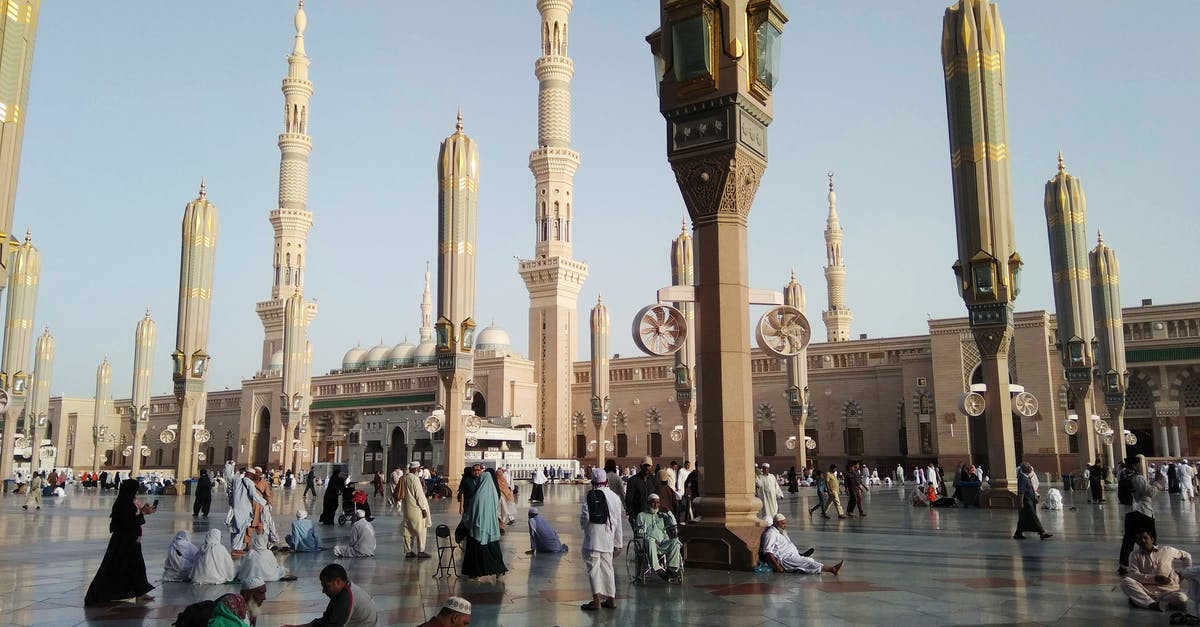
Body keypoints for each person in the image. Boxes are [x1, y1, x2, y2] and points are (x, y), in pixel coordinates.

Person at [84, 478, 156, 605]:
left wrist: (143, 512)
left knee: (136, 567)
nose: (137, 492)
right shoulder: (123, 503)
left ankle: (140, 592)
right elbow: (127, 523)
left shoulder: (129, 502)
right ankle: (98, 593)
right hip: (123, 542)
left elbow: (134, 518)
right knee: (114, 567)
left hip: (132, 541)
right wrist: (142, 513)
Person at [580, 468, 623, 612]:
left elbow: (585, 516)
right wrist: (618, 543)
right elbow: (618, 522)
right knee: (608, 569)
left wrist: (584, 527)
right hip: (608, 539)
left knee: (593, 569)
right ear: (606, 481)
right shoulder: (614, 497)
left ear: (593, 481)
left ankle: (597, 601)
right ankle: (611, 599)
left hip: (593, 538)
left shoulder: (590, 495)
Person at [282, 563, 379, 627]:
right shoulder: (341, 592)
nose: (323, 591)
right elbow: (325, 620)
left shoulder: (346, 597)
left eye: (327, 587)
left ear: (338, 581)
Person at [1120, 530, 1191, 611]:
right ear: (1136, 542)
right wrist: (1154, 579)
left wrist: (1186, 573)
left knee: (1182, 598)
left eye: (1145, 538)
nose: (1142, 541)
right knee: (1125, 581)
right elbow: (1134, 574)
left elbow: (1186, 556)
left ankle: (1140, 601)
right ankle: (1152, 604)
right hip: (1146, 590)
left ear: (1152, 539)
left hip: (1168, 590)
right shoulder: (1135, 555)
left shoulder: (1167, 550)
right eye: (1139, 539)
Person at [462, 467, 507, 579]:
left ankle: (475, 573)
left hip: (478, 529)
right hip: (491, 528)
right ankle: (498, 570)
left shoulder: (478, 495)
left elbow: (471, 513)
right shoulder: (494, 494)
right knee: (493, 550)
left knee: (476, 552)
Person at [761, 514, 842, 575]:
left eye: (785, 523)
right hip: (785, 559)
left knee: (807, 562)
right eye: (783, 523)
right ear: (776, 523)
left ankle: (802, 561)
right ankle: (832, 569)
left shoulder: (780, 531)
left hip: (792, 555)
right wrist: (777, 567)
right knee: (807, 562)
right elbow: (768, 552)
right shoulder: (770, 533)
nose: (785, 525)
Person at [635, 494, 682, 581]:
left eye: (658, 503)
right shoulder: (641, 515)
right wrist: (652, 538)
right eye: (653, 502)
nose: (656, 505)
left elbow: (674, 524)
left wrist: (668, 512)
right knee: (650, 540)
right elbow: (640, 533)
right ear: (649, 503)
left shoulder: (662, 515)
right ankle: (658, 569)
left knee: (675, 541)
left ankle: (672, 568)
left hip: (663, 543)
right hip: (650, 544)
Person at [1121, 474, 1158, 569]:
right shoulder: (1138, 478)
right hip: (1143, 511)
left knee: (1128, 540)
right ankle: (1151, 562)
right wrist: (1158, 484)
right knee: (1150, 538)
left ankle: (1123, 564)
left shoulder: (1124, 477)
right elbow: (1149, 492)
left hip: (1130, 511)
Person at [230, 467, 268, 556]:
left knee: (235, 529)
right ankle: (237, 549)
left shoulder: (237, 481)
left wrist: (229, 467)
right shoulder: (249, 482)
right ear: (251, 475)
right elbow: (253, 495)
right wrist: (264, 502)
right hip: (244, 509)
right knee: (241, 530)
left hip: (235, 509)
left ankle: (235, 547)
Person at [400, 461, 432, 559]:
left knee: (407, 531)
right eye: (418, 468)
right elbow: (419, 495)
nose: (419, 470)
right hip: (416, 509)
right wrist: (423, 508)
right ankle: (421, 551)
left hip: (407, 508)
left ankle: (408, 551)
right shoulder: (414, 479)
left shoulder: (404, 478)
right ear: (415, 469)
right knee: (421, 530)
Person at [1014, 462, 1052, 540]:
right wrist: (1021, 502)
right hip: (1026, 501)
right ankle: (1042, 533)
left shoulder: (1026, 477)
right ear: (1025, 469)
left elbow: (1030, 489)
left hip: (1030, 500)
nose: (1030, 468)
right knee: (1033, 516)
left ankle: (1018, 533)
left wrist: (1034, 497)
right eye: (1028, 466)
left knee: (1023, 517)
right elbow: (1021, 491)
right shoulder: (1022, 478)